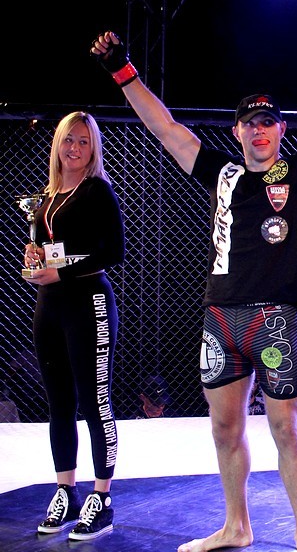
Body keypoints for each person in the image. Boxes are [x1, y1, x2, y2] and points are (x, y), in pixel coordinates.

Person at [89, 2, 297, 552]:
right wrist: (123, 70)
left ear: (281, 129)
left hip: (275, 320)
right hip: (221, 319)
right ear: (237, 130)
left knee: (285, 428)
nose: (259, 130)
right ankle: (236, 527)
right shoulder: (222, 171)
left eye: (268, 122)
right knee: (223, 429)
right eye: (250, 123)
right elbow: (164, 126)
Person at [22, 111, 124, 540]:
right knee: (59, 406)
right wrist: (34, 256)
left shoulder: (98, 190)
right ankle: (66, 490)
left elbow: (114, 252)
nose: (75, 148)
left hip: (89, 303)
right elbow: (48, 249)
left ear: (93, 147)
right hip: (50, 307)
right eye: (69, 140)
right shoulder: (47, 196)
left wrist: (61, 272)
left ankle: (103, 499)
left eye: (83, 141)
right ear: (58, 145)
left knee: (95, 402)